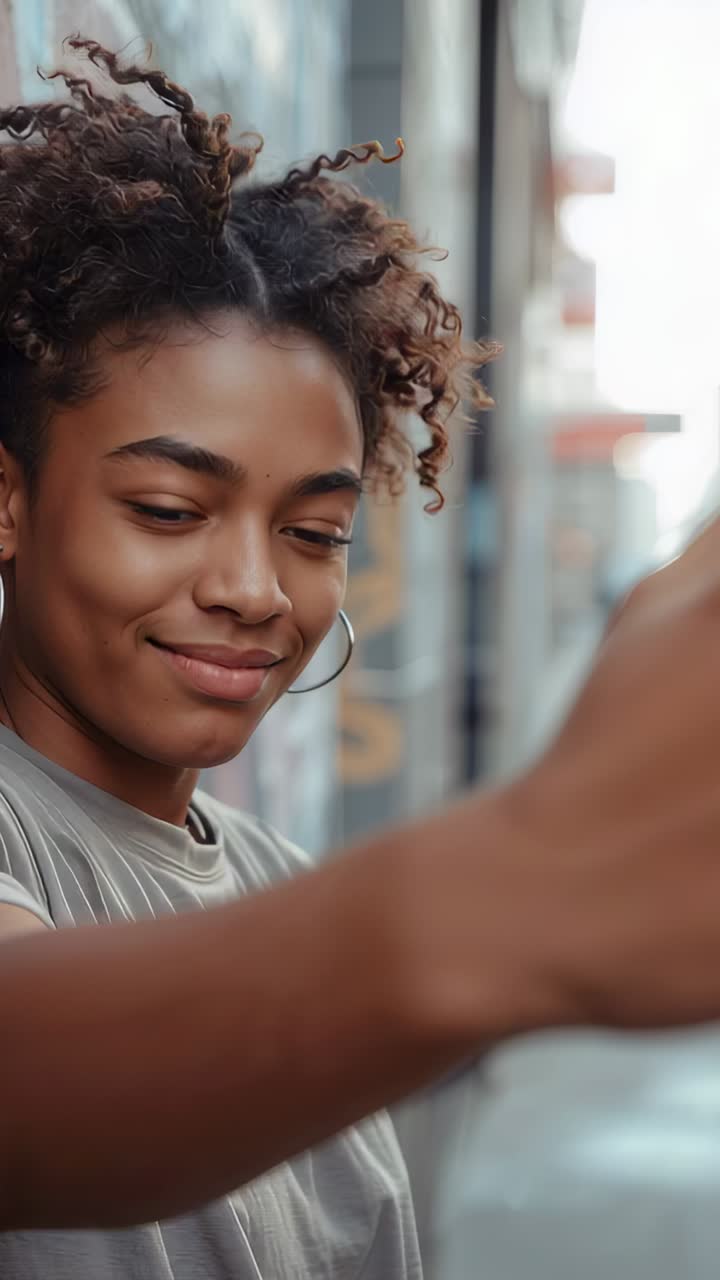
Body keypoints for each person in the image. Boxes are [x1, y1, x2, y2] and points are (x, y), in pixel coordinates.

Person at [2, 36, 720, 1279]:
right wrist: (524, 885)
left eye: (314, 531)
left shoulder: (281, 884)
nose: (251, 588)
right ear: (9, 502)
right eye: (169, 509)